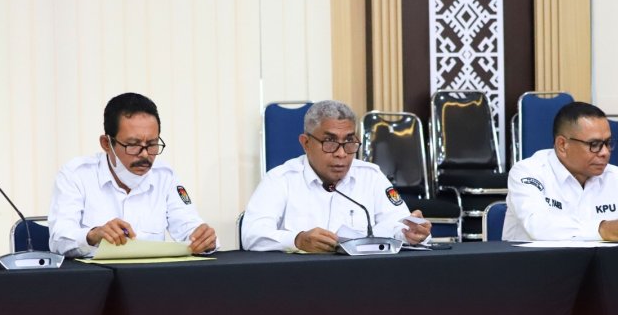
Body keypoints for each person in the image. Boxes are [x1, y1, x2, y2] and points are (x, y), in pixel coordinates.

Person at [241, 100, 432, 252]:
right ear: (306, 143)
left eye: (349, 142)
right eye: (330, 142)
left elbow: (397, 223)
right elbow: (252, 234)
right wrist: (297, 240)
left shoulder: (371, 176)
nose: (341, 153)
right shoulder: (280, 179)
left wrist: (410, 233)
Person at [48, 92, 217, 257]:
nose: (145, 154)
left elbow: (188, 227)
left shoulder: (165, 176)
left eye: (152, 144)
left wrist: (202, 238)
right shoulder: (76, 175)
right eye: (133, 144)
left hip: (151, 274)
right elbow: (58, 239)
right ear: (106, 143)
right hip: (96, 274)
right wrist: (93, 235)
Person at [504, 101, 618, 241]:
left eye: (608, 143)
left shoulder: (614, 175)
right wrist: (602, 229)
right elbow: (537, 225)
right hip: (534, 269)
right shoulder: (527, 172)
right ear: (562, 145)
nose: (605, 152)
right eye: (594, 144)